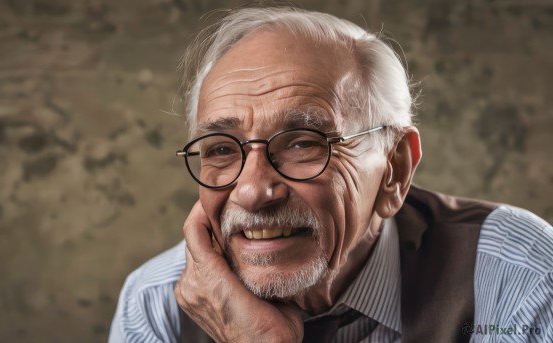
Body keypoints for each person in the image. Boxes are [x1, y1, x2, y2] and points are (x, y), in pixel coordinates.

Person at [109, 6, 553, 343]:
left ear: (395, 168)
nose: (252, 190)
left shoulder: (515, 275)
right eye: (222, 150)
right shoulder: (156, 301)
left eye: (303, 142)